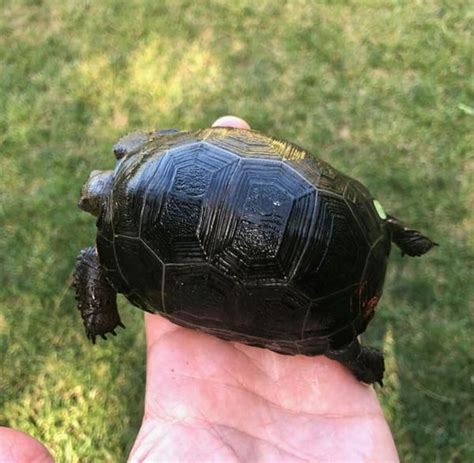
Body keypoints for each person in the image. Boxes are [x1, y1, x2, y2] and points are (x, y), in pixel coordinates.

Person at [0, 116, 399, 462]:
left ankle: (354, 353)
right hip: (342, 214)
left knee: (93, 257)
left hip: (310, 277)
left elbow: (95, 263)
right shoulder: (150, 153)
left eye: (91, 200)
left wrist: (98, 316)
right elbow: (135, 141)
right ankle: (385, 228)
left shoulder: (106, 252)